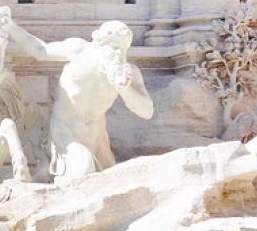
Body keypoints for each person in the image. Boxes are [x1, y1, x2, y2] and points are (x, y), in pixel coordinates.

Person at [9, 19, 153, 181]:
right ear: (99, 42)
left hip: (97, 138)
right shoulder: (79, 50)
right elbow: (40, 50)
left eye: (121, 49)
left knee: (108, 181)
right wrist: (10, 26)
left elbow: (146, 112)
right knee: (83, 171)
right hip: (65, 132)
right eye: (112, 47)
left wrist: (124, 88)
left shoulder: (127, 72)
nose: (117, 53)